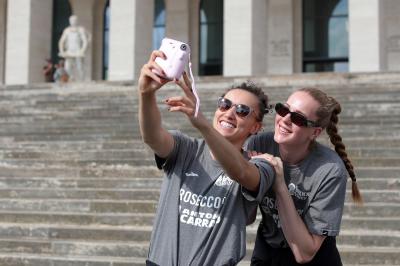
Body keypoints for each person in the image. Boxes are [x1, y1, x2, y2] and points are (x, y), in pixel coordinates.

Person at [139, 50, 277, 266]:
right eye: (224, 104)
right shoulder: (186, 148)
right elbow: (152, 137)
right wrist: (146, 94)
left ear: (256, 127)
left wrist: (201, 122)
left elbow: (240, 172)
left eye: (242, 110)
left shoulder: (261, 165)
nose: (229, 113)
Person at [245, 87, 363, 265]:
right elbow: (247, 217)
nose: (284, 119)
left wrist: (279, 184)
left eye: (298, 118)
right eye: (283, 109)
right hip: (268, 251)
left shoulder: (330, 169)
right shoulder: (259, 143)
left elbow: (304, 254)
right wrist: (251, 180)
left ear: (315, 132)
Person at [58, 15, 89, 82]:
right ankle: (70, 79)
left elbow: (85, 41)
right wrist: (62, 50)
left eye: (74, 20)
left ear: (77, 21)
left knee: (80, 68)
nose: (73, 21)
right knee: (67, 68)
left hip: (78, 51)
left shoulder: (80, 30)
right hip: (69, 52)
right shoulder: (67, 30)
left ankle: (81, 81)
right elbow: (61, 41)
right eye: (71, 20)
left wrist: (82, 50)